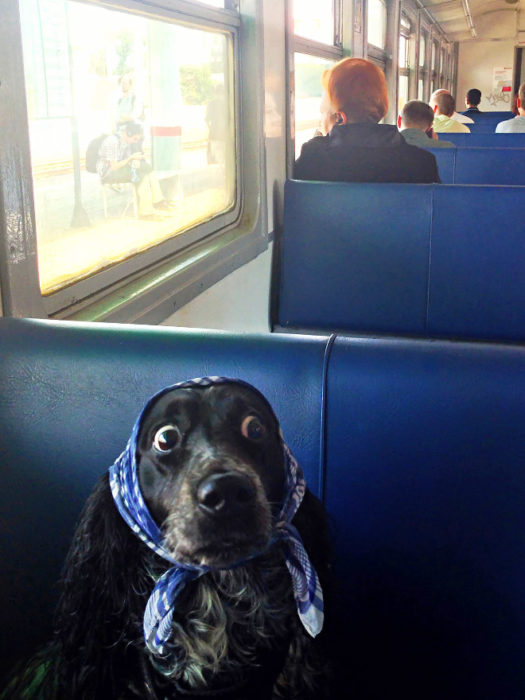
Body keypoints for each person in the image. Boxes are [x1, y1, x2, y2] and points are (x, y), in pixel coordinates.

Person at [294, 58, 440, 184]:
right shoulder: (423, 163)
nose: (321, 122)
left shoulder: (313, 158)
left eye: (323, 113)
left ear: (340, 118)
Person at [96, 123, 173, 220]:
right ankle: (146, 212)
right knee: (141, 176)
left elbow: (126, 160)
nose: (135, 142)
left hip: (120, 169)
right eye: (135, 139)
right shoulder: (112, 142)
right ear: (128, 133)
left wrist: (134, 161)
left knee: (147, 167)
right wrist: (131, 158)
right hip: (109, 173)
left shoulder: (125, 142)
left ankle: (158, 201)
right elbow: (114, 166)